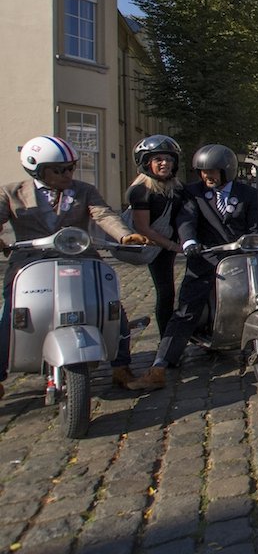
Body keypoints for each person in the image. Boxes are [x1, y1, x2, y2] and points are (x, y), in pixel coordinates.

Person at [126, 144, 258, 389]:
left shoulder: (247, 193)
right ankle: (159, 367)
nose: (207, 176)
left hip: (240, 258)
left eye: (212, 171)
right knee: (186, 310)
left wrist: (254, 240)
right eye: (202, 171)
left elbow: (255, 226)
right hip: (205, 258)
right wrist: (189, 242)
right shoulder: (192, 193)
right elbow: (186, 219)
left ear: (227, 170)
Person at [0, 135, 151, 397]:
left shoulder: (84, 190)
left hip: (80, 259)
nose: (68, 174)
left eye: (71, 168)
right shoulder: (11, 192)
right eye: (59, 170)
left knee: (111, 306)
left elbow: (102, 214)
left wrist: (124, 236)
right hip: (30, 263)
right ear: (37, 170)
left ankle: (121, 367)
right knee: (12, 316)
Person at [126, 135, 187, 337]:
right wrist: (172, 246)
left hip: (171, 243)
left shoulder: (177, 189)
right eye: (158, 159)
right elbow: (143, 228)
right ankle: (166, 338)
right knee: (166, 291)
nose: (165, 163)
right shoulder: (141, 191)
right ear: (146, 163)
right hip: (154, 246)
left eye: (169, 159)